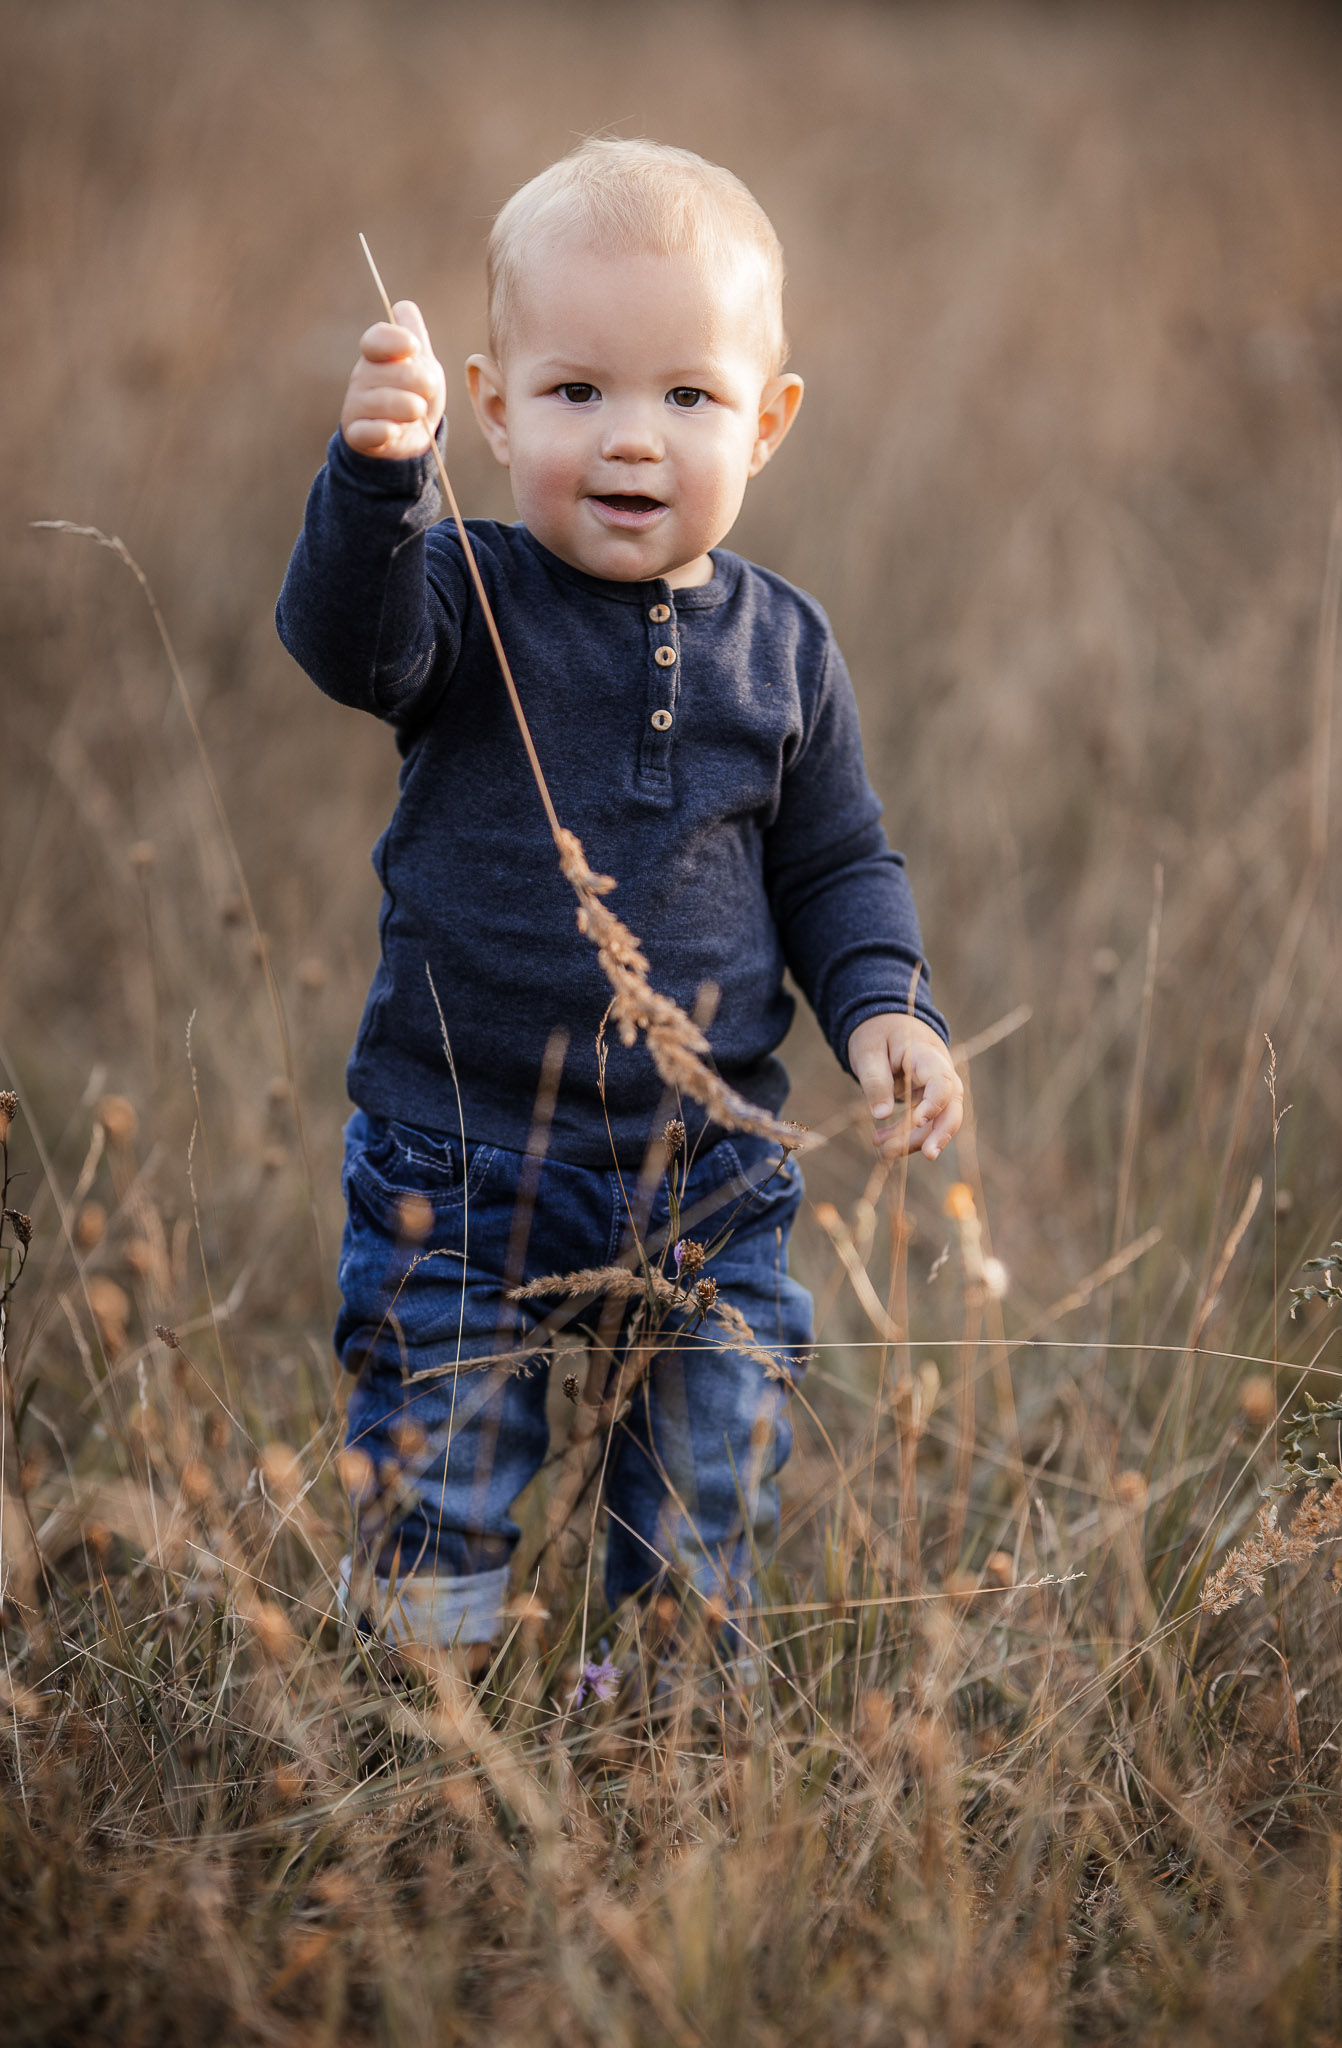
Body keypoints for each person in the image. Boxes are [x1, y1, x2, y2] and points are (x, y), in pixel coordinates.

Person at [277, 137, 962, 1659]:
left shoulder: (784, 650)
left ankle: (656, 1729)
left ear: (767, 421)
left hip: (704, 1164)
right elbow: (348, 644)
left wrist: (885, 1008)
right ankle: (422, 1712)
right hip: (456, 1154)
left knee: (709, 1465)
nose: (634, 441)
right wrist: (377, 477)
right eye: (578, 393)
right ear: (497, 403)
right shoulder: (463, 591)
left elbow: (838, 863)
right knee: (437, 1462)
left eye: (688, 397)